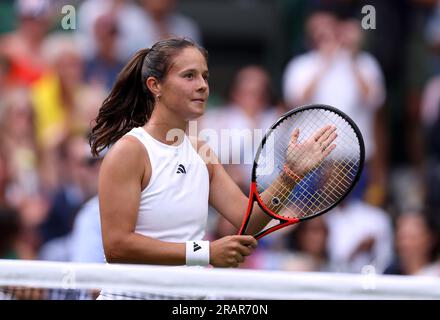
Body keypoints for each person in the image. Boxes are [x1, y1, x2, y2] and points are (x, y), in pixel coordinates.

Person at [90, 38, 337, 278]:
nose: (202, 86)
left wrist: (290, 175)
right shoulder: (130, 151)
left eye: (204, 76)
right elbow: (117, 247)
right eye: (189, 76)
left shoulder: (201, 151)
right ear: (156, 86)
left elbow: (247, 220)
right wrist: (205, 252)